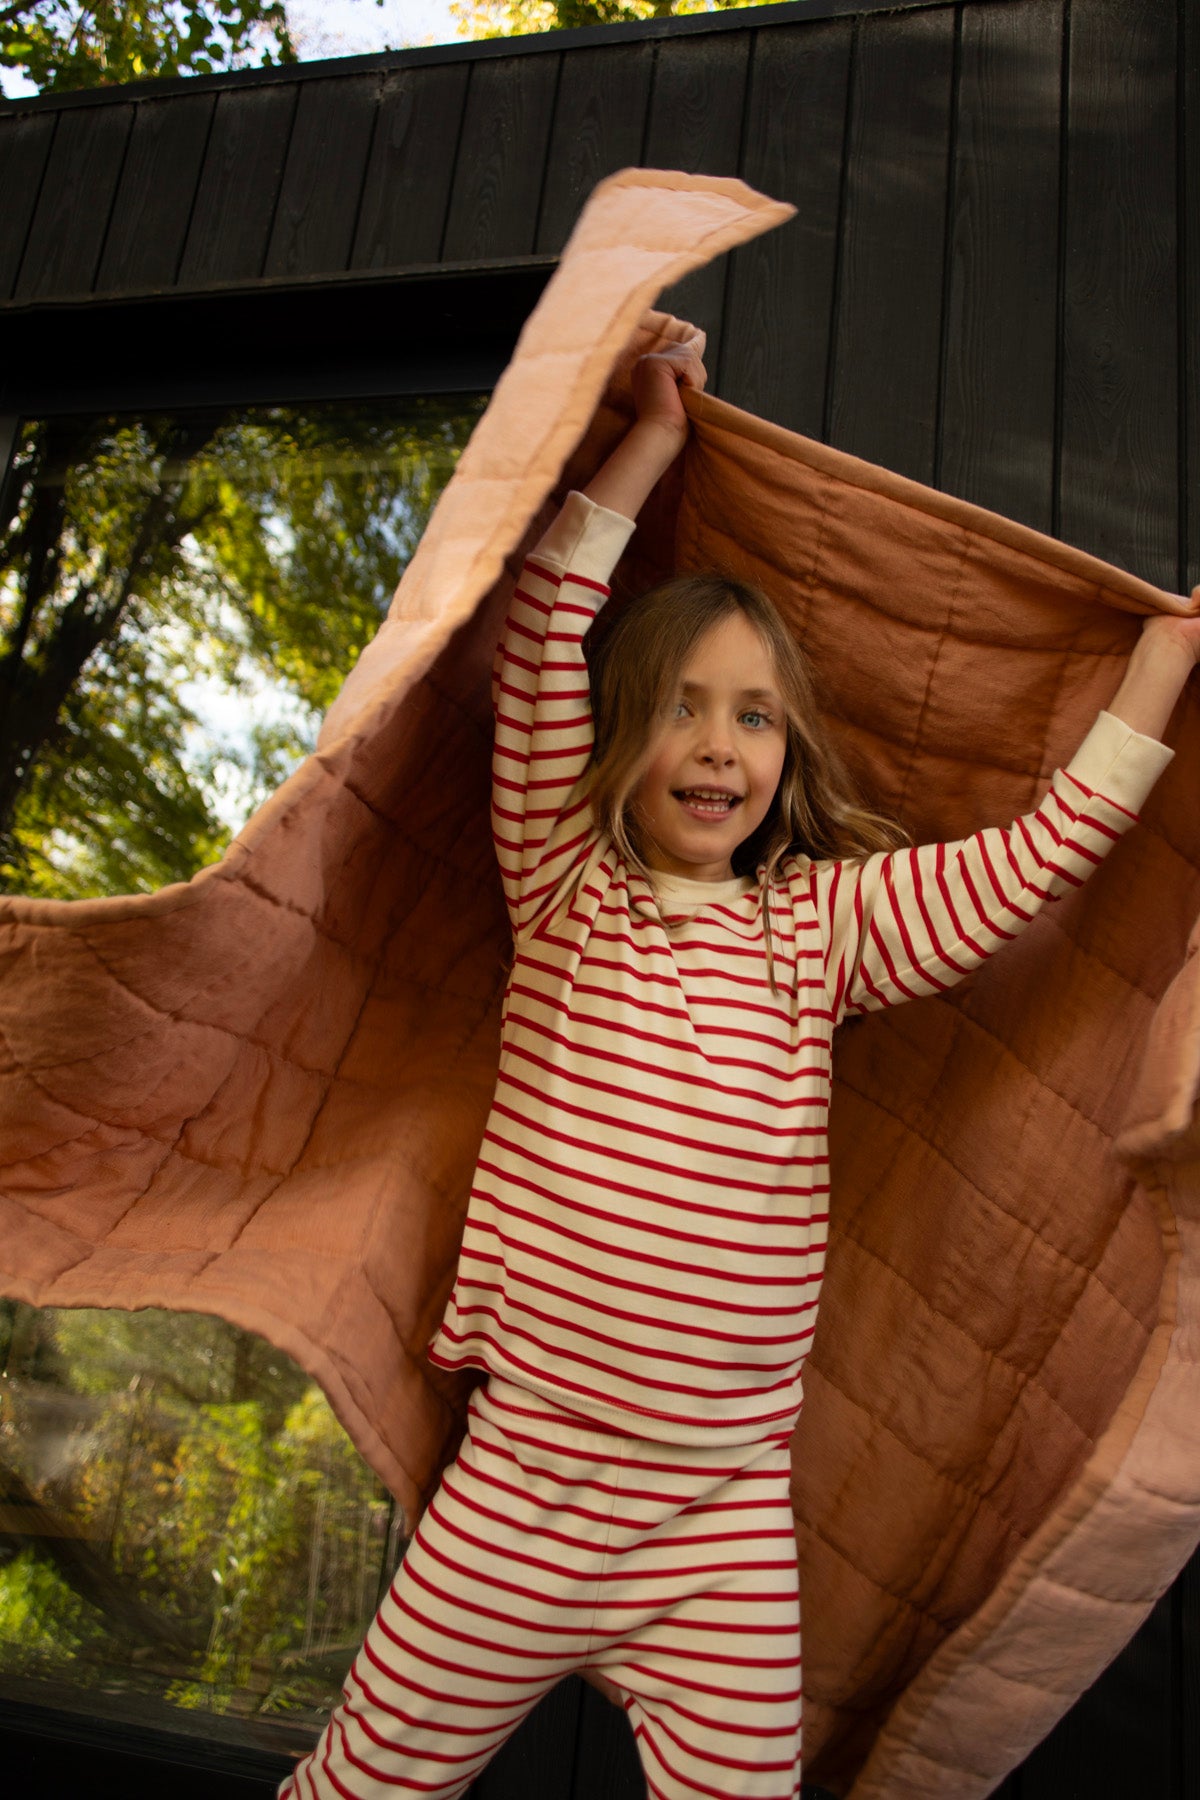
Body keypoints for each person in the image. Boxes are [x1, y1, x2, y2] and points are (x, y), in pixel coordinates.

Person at [280, 339, 1199, 1800]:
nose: (720, 746)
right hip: (523, 1494)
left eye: (755, 715)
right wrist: (646, 435)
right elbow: (539, 637)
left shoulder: (816, 931)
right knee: (363, 1785)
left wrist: (1165, 663)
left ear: (788, 751)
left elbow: (1025, 872)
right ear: (623, 733)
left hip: (716, 1526)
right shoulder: (569, 890)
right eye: (685, 706)